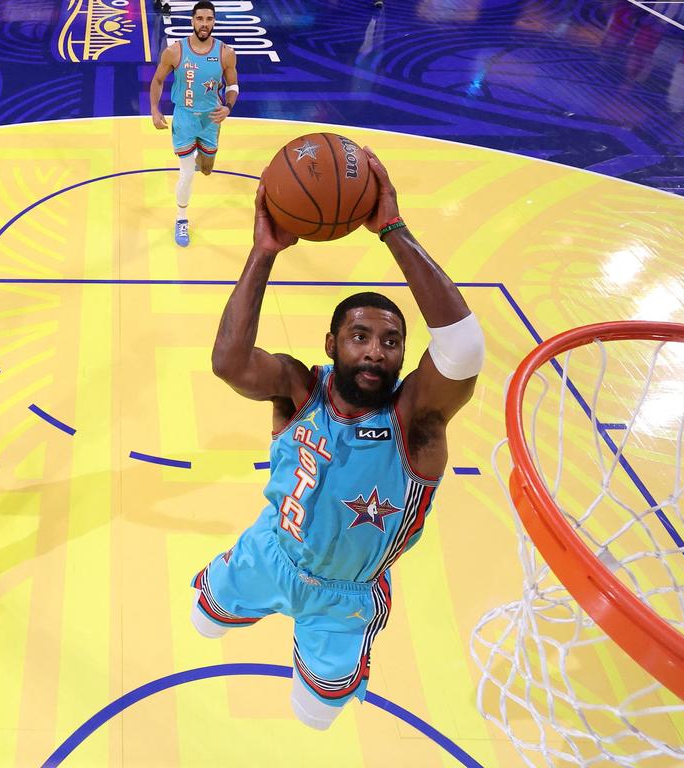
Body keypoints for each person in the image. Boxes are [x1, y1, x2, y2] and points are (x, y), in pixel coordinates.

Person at [192, 149, 485, 729]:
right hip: (268, 552)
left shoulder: (416, 421)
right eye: (360, 336)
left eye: (391, 341)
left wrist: (393, 232)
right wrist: (262, 252)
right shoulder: (299, 390)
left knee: (315, 718)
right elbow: (228, 362)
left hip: (343, 601)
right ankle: (240, 601)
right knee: (204, 622)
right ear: (331, 344)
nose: (377, 350)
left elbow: (464, 349)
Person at [149, 1, 239, 248]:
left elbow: (232, 86)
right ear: (192, 21)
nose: (204, 24)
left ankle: (200, 158)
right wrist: (155, 110)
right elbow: (157, 81)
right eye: (200, 19)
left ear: (214, 21)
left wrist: (228, 107)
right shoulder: (175, 51)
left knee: (207, 169)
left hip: (211, 119)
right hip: (185, 118)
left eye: (209, 19)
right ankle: (181, 218)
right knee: (187, 174)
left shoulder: (226, 53)